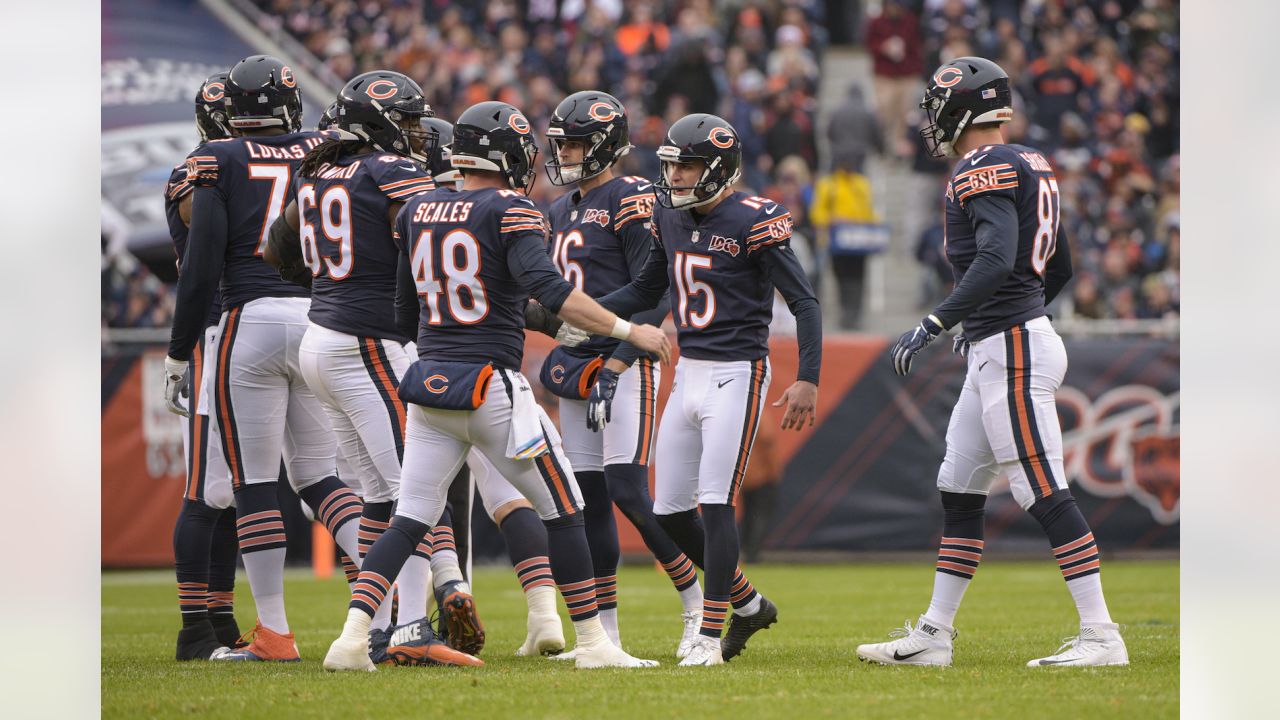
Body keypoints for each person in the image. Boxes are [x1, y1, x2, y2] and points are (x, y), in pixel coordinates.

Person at [322, 101, 671, 672]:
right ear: (505, 154)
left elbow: (404, 309)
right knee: (565, 508)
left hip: (430, 389)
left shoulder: (418, 208)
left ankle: (352, 640)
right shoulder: (510, 207)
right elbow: (551, 289)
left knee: (408, 519)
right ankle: (592, 642)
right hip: (493, 389)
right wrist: (629, 328)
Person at [859, 57, 1127, 668]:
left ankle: (1101, 635)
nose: (930, 119)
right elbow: (1057, 266)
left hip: (1011, 347)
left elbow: (999, 256)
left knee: (1042, 490)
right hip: (1004, 339)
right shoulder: (1030, 160)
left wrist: (937, 321)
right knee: (959, 485)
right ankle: (934, 634)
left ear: (962, 107)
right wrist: (993, 317)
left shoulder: (981, 166)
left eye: (936, 106)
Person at [597, 114, 823, 666]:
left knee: (717, 503)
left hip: (738, 372)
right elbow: (648, 289)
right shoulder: (669, 218)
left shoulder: (754, 218)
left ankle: (708, 634)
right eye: (672, 164)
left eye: (688, 165)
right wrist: (586, 317)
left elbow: (805, 302)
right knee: (672, 512)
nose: (674, 176)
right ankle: (748, 605)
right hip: (690, 370)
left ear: (718, 168)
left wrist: (808, 378)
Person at [163, 55, 364, 662]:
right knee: (322, 477)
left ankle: (274, 633)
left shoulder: (215, 159)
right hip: (316, 319)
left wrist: (179, 350)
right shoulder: (328, 147)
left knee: (251, 483)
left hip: (245, 321)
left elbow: (200, 264)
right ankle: (384, 603)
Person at [541, 90, 705, 659]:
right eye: (561, 142)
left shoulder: (632, 196)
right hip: (578, 365)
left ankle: (697, 603)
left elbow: (656, 286)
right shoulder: (559, 209)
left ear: (605, 144)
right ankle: (603, 634)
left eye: (576, 142)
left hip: (626, 359)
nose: (564, 153)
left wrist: (619, 357)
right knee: (586, 497)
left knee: (629, 492)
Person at [163, 72, 242, 660]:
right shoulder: (199, 172)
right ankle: (197, 627)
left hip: (242, 330)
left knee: (238, 490)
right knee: (206, 489)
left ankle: (220, 618)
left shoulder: (227, 166)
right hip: (215, 331)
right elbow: (204, 238)